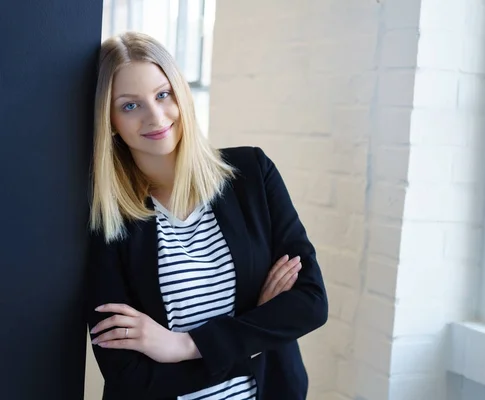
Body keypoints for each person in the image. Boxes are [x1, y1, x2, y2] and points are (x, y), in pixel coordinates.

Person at [86, 31, 328, 400]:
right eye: (129, 105)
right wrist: (255, 332)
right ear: (110, 120)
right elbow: (130, 378)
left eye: (162, 94)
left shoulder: (252, 174)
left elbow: (310, 302)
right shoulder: (107, 220)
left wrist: (182, 345)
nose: (155, 116)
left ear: (180, 94)